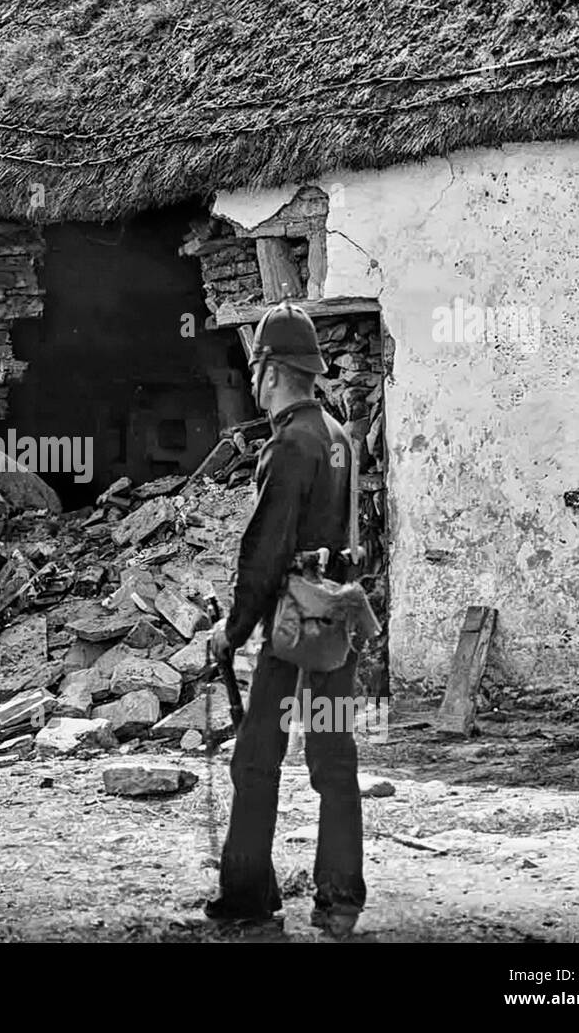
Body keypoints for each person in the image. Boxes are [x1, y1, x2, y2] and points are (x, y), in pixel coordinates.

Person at [206, 301, 366, 938]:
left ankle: (247, 898)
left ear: (270, 372)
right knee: (334, 761)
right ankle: (340, 902)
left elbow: (263, 556)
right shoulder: (337, 436)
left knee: (255, 762)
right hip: (338, 615)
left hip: (293, 622)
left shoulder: (289, 445)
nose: (253, 382)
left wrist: (233, 630)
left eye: (255, 370)